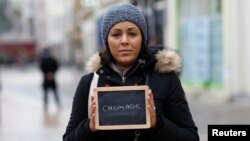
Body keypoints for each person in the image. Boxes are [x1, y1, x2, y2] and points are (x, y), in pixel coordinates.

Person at [63, 3, 199, 141]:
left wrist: (156, 124)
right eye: (116, 35)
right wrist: (89, 127)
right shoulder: (89, 83)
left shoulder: (166, 78)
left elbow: (191, 137)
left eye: (132, 34)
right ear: (106, 41)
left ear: (142, 39)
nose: (124, 41)